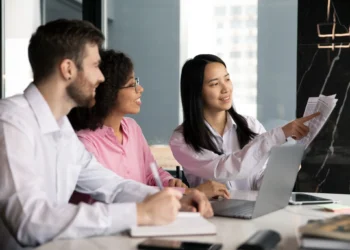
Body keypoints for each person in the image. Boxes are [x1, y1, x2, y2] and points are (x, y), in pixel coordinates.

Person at [0, 19, 213, 247]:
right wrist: (140, 214)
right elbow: (30, 223)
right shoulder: (11, 123)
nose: (101, 78)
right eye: (94, 66)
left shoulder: (62, 130)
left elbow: (113, 186)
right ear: (68, 69)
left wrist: (175, 198)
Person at [67, 49, 230, 202]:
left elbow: (152, 173)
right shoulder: (85, 143)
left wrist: (170, 182)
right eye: (132, 84)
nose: (140, 89)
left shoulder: (132, 128)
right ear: (108, 93)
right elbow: (116, 196)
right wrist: (188, 193)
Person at [169, 54, 319, 191]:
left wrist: (284, 170)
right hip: (210, 216)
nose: (225, 88)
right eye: (214, 84)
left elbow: (258, 183)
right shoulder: (182, 139)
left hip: (248, 212)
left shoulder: (250, 125)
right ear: (196, 91)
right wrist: (280, 134)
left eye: (227, 79)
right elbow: (226, 170)